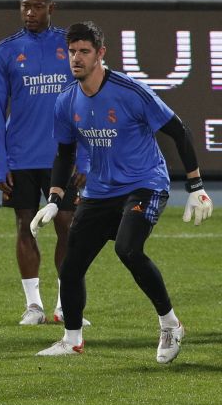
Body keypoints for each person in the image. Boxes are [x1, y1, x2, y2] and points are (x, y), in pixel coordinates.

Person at [32, 21, 213, 363]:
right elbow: (65, 153)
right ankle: (72, 340)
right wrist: (55, 199)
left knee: (128, 250)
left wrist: (196, 186)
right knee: (71, 268)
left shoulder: (130, 91)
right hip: (100, 192)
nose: (76, 58)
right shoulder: (65, 101)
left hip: (145, 184)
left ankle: (170, 325)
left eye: (84, 51)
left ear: (100, 54)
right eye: (72, 52)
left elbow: (180, 130)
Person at [0, 0, 91, 326]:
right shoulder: (5, 51)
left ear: (51, 8)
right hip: (21, 157)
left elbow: (89, 103)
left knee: (68, 226)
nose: (30, 13)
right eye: (25, 7)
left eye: (37, 6)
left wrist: (86, 157)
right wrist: (0, 165)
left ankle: (65, 305)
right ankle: (33, 305)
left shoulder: (70, 48)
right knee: (25, 227)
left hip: (63, 157)